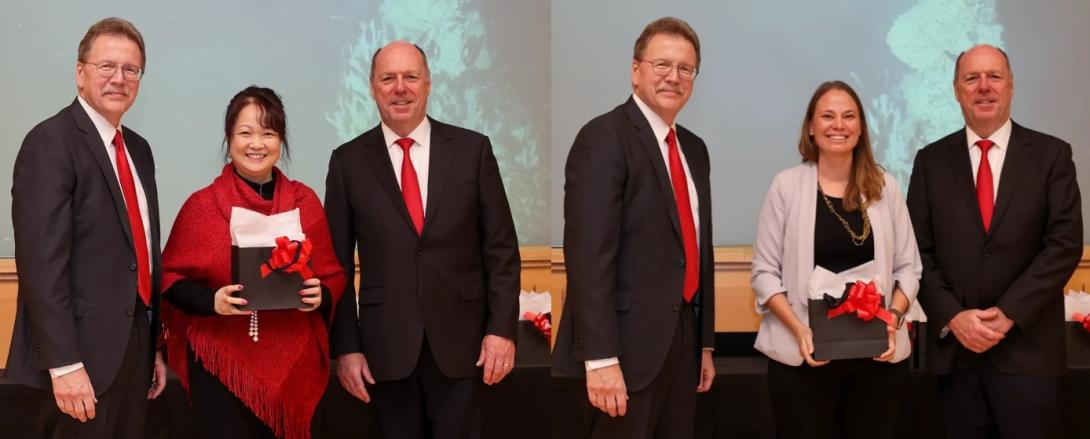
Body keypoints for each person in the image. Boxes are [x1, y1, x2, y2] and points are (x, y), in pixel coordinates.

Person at [325, 40, 520, 438]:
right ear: (373, 87)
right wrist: (345, 348)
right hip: (384, 352)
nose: (401, 87)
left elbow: (501, 250)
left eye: (411, 77)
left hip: (466, 348)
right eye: (388, 78)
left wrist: (501, 330)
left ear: (428, 84)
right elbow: (336, 264)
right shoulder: (347, 162)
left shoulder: (473, 150)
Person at [551, 17, 716, 438]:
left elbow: (698, 248)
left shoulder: (693, 149)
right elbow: (589, 257)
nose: (673, 77)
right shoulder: (604, 138)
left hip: (680, 344)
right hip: (621, 353)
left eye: (686, 69)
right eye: (662, 65)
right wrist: (601, 358)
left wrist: (705, 343)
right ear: (636, 70)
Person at [907, 44, 1082, 439]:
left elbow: (1064, 244)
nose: (983, 87)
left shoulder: (1052, 155)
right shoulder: (930, 161)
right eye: (971, 78)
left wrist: (1008, 313)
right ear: (956, 90)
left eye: (994, 76)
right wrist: (953, 317)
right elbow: (916, 252)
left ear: (1012, 86)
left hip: (1029, 356)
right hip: (957, 358)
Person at [6, 17, 167, 438]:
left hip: (133, 351)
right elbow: (41, 264)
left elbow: (140, 254)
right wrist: (64, 364)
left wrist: (152, 349)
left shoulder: (139, 150)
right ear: (80, 74)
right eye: (106, 66)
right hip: (77, 361)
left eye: (131, 69)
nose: (120, 78)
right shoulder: (51, 142)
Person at [159, 86, 345, 439]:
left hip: (293, 361)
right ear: (229, 138)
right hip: (220, 371)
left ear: (281, 140)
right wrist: (211, 302)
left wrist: (320, 294)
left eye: (268, 133)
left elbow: (332, 276)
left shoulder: (305, 203)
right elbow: (170, 279)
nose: (256, 144)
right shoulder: (202, 206)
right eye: (245, 132)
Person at [750, 81, 922, 438]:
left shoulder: (885, 187)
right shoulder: (786, 186)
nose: (838, 125)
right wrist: (800, 330)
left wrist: (892, 318)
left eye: (848, 116)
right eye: (827, 116)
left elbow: (909, 268)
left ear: (860, 128)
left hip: (879, 359)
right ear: (811, 127)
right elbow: (764, 274)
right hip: (803, 358)